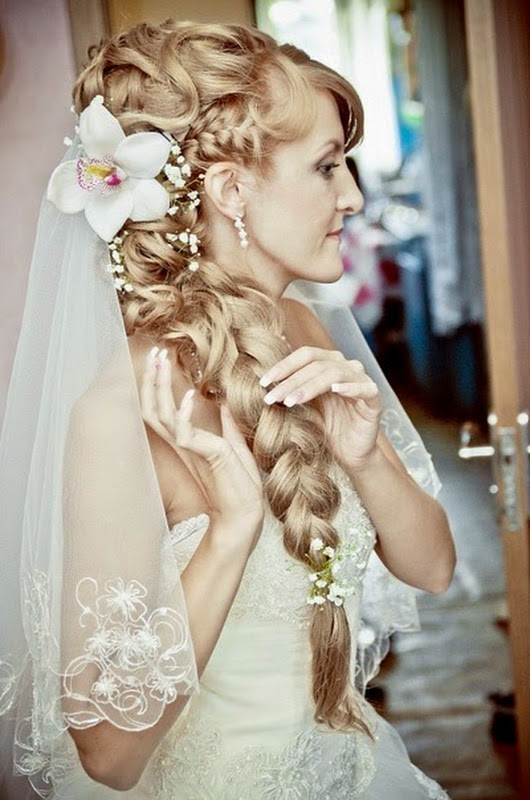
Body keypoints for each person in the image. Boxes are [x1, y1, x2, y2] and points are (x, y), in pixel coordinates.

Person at [0, 20, 456, 799]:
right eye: (327, 166)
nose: (352, 197)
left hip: (353, 771)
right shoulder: (123, 408)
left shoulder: (303, 331)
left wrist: (366, 455)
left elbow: (435, 569)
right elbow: (108, 754)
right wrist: (231, 530)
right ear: (231, 190)